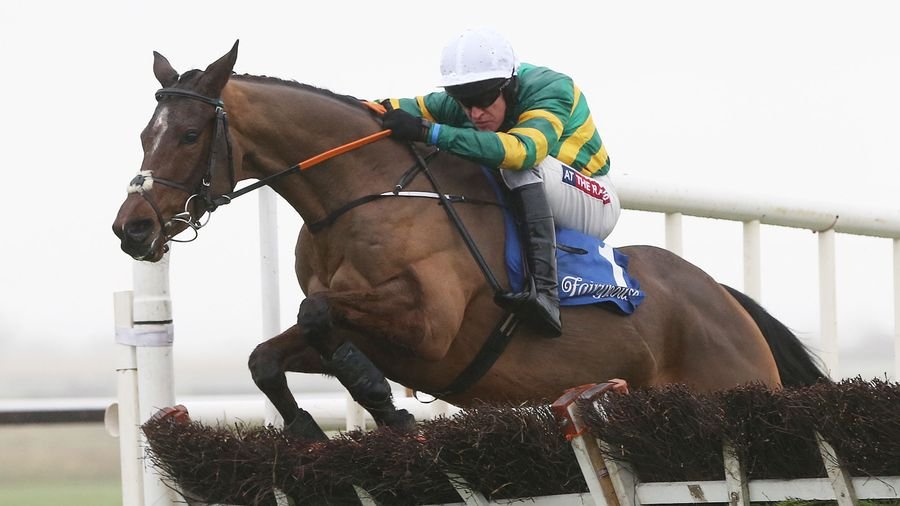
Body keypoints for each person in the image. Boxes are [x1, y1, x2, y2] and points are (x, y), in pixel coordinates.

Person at [382, 27, 621, 337]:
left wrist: (431, 132)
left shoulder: (552, 88)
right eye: (463, 101)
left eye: (484, 98)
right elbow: (387, 108)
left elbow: (523, 152)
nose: (475, 113)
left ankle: (545, 296)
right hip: (540, 191)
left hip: (594, 199)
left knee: (518, 165)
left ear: (510, 84)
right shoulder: (465, 103)